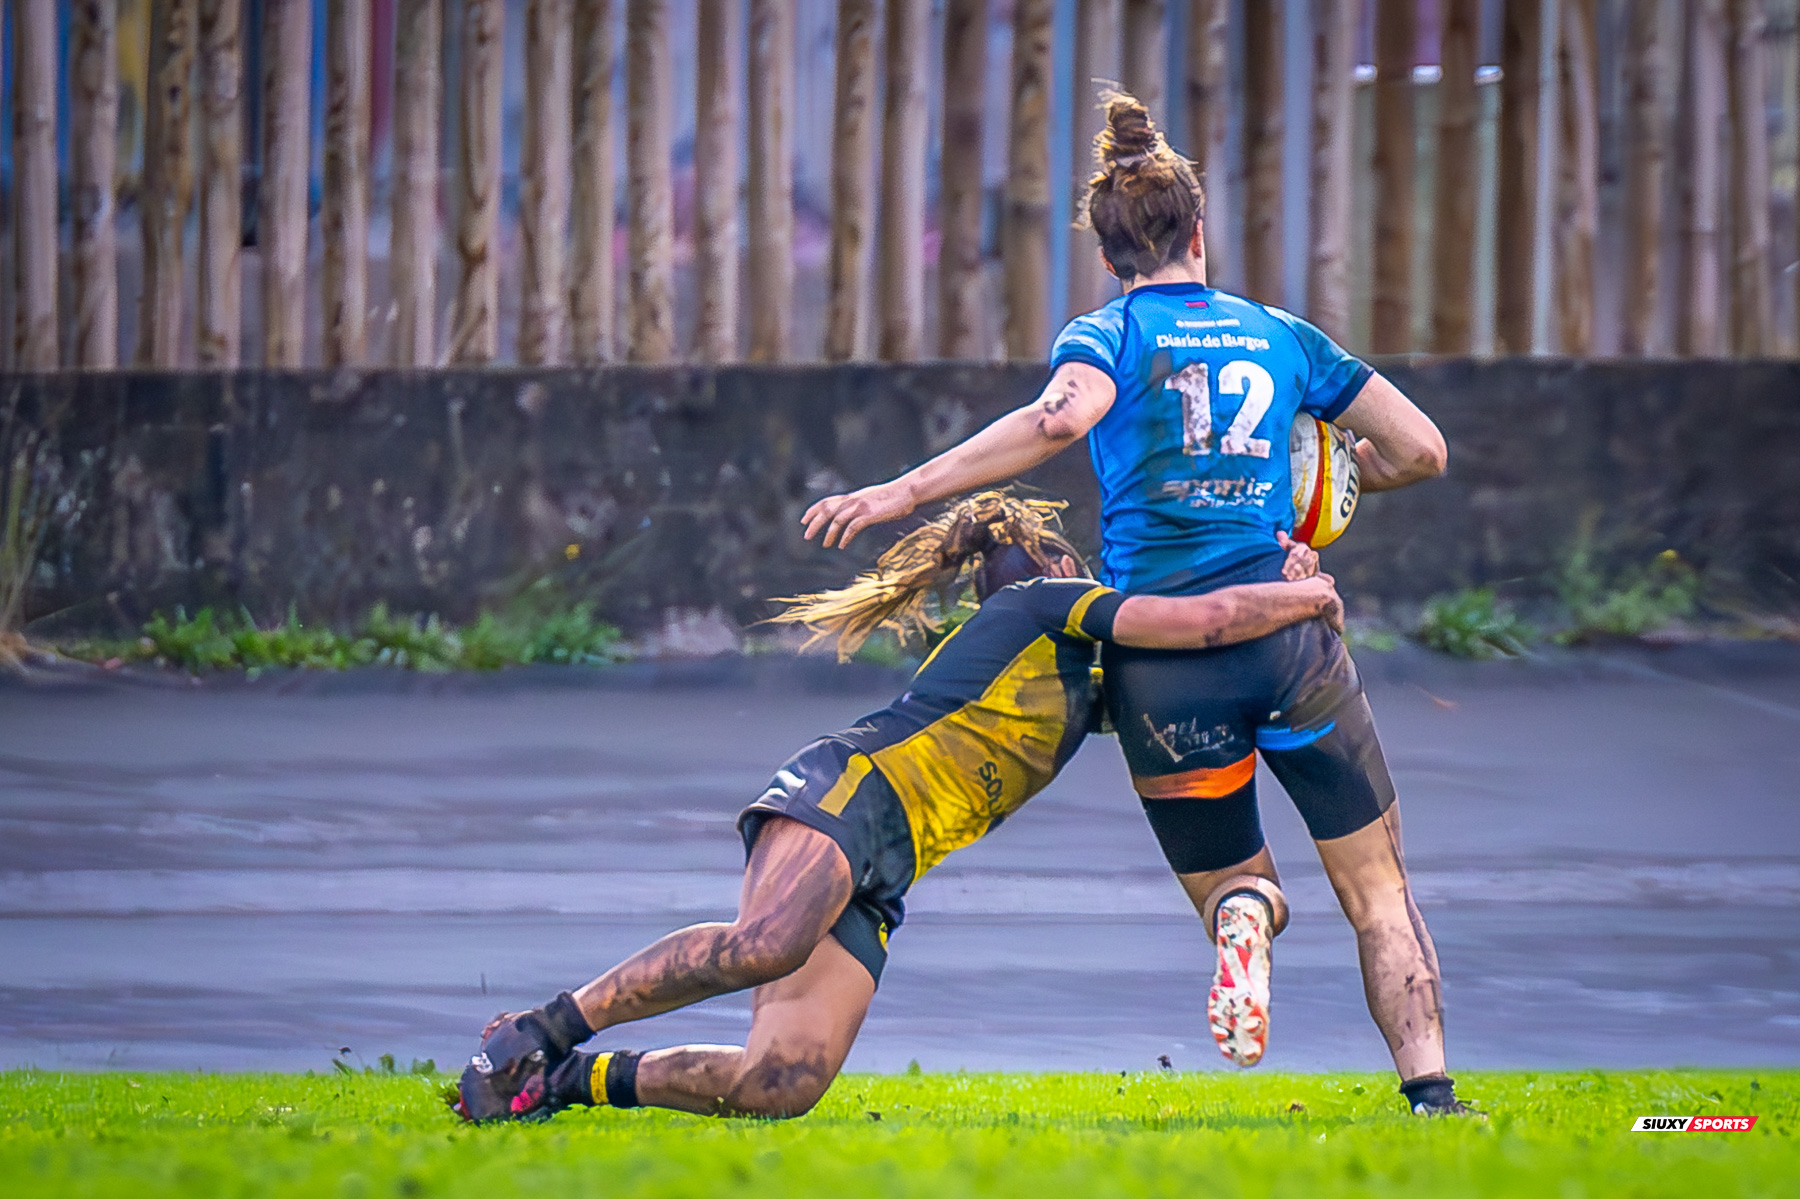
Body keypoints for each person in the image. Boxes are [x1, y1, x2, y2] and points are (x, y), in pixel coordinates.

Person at [799, 94, 1468, 1115]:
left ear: (1111, 256)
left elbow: (1058, 419)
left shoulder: (1107, 332)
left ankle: (1245, 917)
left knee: (1233, 882)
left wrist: (898, 493)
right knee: (1380, 889)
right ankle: (1431, 1095)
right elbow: (1424, 448)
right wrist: (1348, 480)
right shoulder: (1285, 337)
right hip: (1290, 639)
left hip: (1161, 665)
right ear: (1200, 232)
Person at [454, 492, 1342, 1122]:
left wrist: (1281, 566)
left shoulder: (1082, 677)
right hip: (851, 791)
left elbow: (1193, 672)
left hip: (892, 859)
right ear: (1064, 573)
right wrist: (1308, 593)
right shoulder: (1044, 604)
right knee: (766, 942)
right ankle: (534, 1031)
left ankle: (564, 1081)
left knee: (781, 1084)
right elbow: (1201, 619)